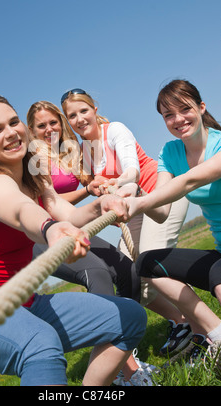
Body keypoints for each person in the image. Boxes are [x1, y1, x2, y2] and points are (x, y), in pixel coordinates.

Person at [0, 93, 147, 386]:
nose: (11, 133)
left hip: (28, 304)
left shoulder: (35, 178)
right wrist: (49, 229)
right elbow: (21, 211)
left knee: (130, 316)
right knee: (41, 346)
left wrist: (101, 204)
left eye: (13, 122)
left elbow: (66, 212)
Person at [61, 88, 190, 382]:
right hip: (131, 210)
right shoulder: (84, 152)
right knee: (130, 277)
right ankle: (181, 321)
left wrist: (119, 185)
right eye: (72, 115)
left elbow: (131, 170)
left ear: (94, 108)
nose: (80, 119)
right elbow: (99, 195)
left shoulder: (115, 130)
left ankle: (203, 331)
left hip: (157, 197)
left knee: (151, 267)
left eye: (84, 110)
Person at [27, 100, 154, 386]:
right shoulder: (35, 158)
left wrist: (106, 191)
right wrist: (87, 190)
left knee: (126, 270)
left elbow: (96, 176)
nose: (49, 129)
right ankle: (127, 371)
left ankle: (119, 349)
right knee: (97, 273)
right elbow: (51, 202)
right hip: (42, 235)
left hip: (73, 226)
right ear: (32, 130)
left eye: (53, 122)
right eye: (41, 125)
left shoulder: (69, 153)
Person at [132, 79, 221, 366]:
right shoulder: (170, 153)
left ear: (201, 108)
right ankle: (219, 333)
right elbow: (160, 208)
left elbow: (191, 179)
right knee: (146, 264)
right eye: (168, 115)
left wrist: (140, 202)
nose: (178, 119)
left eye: (184, 109)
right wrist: (136, 196)